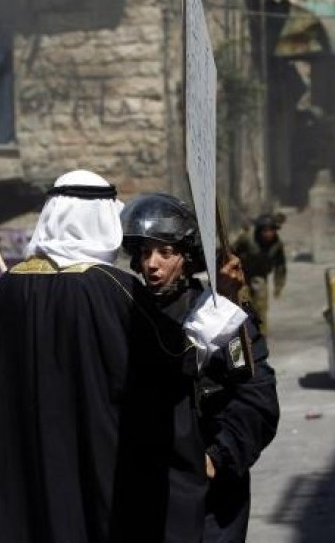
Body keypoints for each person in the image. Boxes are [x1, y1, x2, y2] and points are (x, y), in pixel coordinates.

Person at [0, 171, 237, 543]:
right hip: (94, 465)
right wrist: (222, 303)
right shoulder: (113, 288)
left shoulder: (9, 287)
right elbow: (177, 359)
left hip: (28, 462)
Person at [121, 193, 280, 543]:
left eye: (165, 252)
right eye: (145, 252)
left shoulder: (219, 317)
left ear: (187, 256)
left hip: (212, 493)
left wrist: (218, 458)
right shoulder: (132, 318)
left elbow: (257, 398)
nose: (153, 264)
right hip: (154, 489)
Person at [231, 213, 287, 334]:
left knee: (260, 308)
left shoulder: (277, 244)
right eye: (265, 231)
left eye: (271, 230)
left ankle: (260, 336)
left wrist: (278, 286)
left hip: (260, 277)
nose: (268, 234)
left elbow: (280, 266)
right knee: (242, 305)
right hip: (242, 276)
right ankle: (242, 335)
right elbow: (232, 251)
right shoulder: (247, 238)